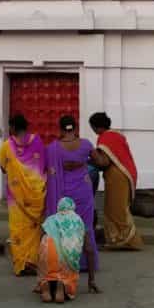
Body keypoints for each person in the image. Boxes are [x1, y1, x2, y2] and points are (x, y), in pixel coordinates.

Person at [44, 115, 99, 273]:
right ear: (75, 128)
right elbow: (101, 161)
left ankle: (65, 261)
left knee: (64, 227)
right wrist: (83, 162)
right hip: (83, 190)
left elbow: (46, 168)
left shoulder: (53, 148)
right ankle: (87, 264)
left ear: (60, 129)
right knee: (85, 225)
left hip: (63, 195)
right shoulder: (86, 144)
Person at [0, 114, 47, 275]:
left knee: (18, 230)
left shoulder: (6, 146)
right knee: (33, 230)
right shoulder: (37, 141)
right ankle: (32, 262)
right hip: (36, 195)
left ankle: (21, 265)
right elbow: (43, 166)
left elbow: (3, 168)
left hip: (17, 198)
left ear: (13, 127)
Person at [89, 112, 144, 251]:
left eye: (93, 127)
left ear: (97, 127)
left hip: (116, 176)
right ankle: (118, 239)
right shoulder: (117, 135)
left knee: (115, 209)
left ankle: (126, 240)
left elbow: (105, 162)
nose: (93, 131)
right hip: (126, 173)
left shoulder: (104, 138)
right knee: (119, 207)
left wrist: (91, 158)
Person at [37, 197, 100, 303]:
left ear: (59, 208)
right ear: (72, 208)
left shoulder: (50, 219)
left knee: (48, 264)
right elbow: (89, 250)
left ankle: (45, 285)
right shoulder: (79, 221)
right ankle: (63, 284)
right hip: (65, 260)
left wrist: (40, 269)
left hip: (48, 254)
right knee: (65, 267)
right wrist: (91, 280)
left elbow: (40, 246)